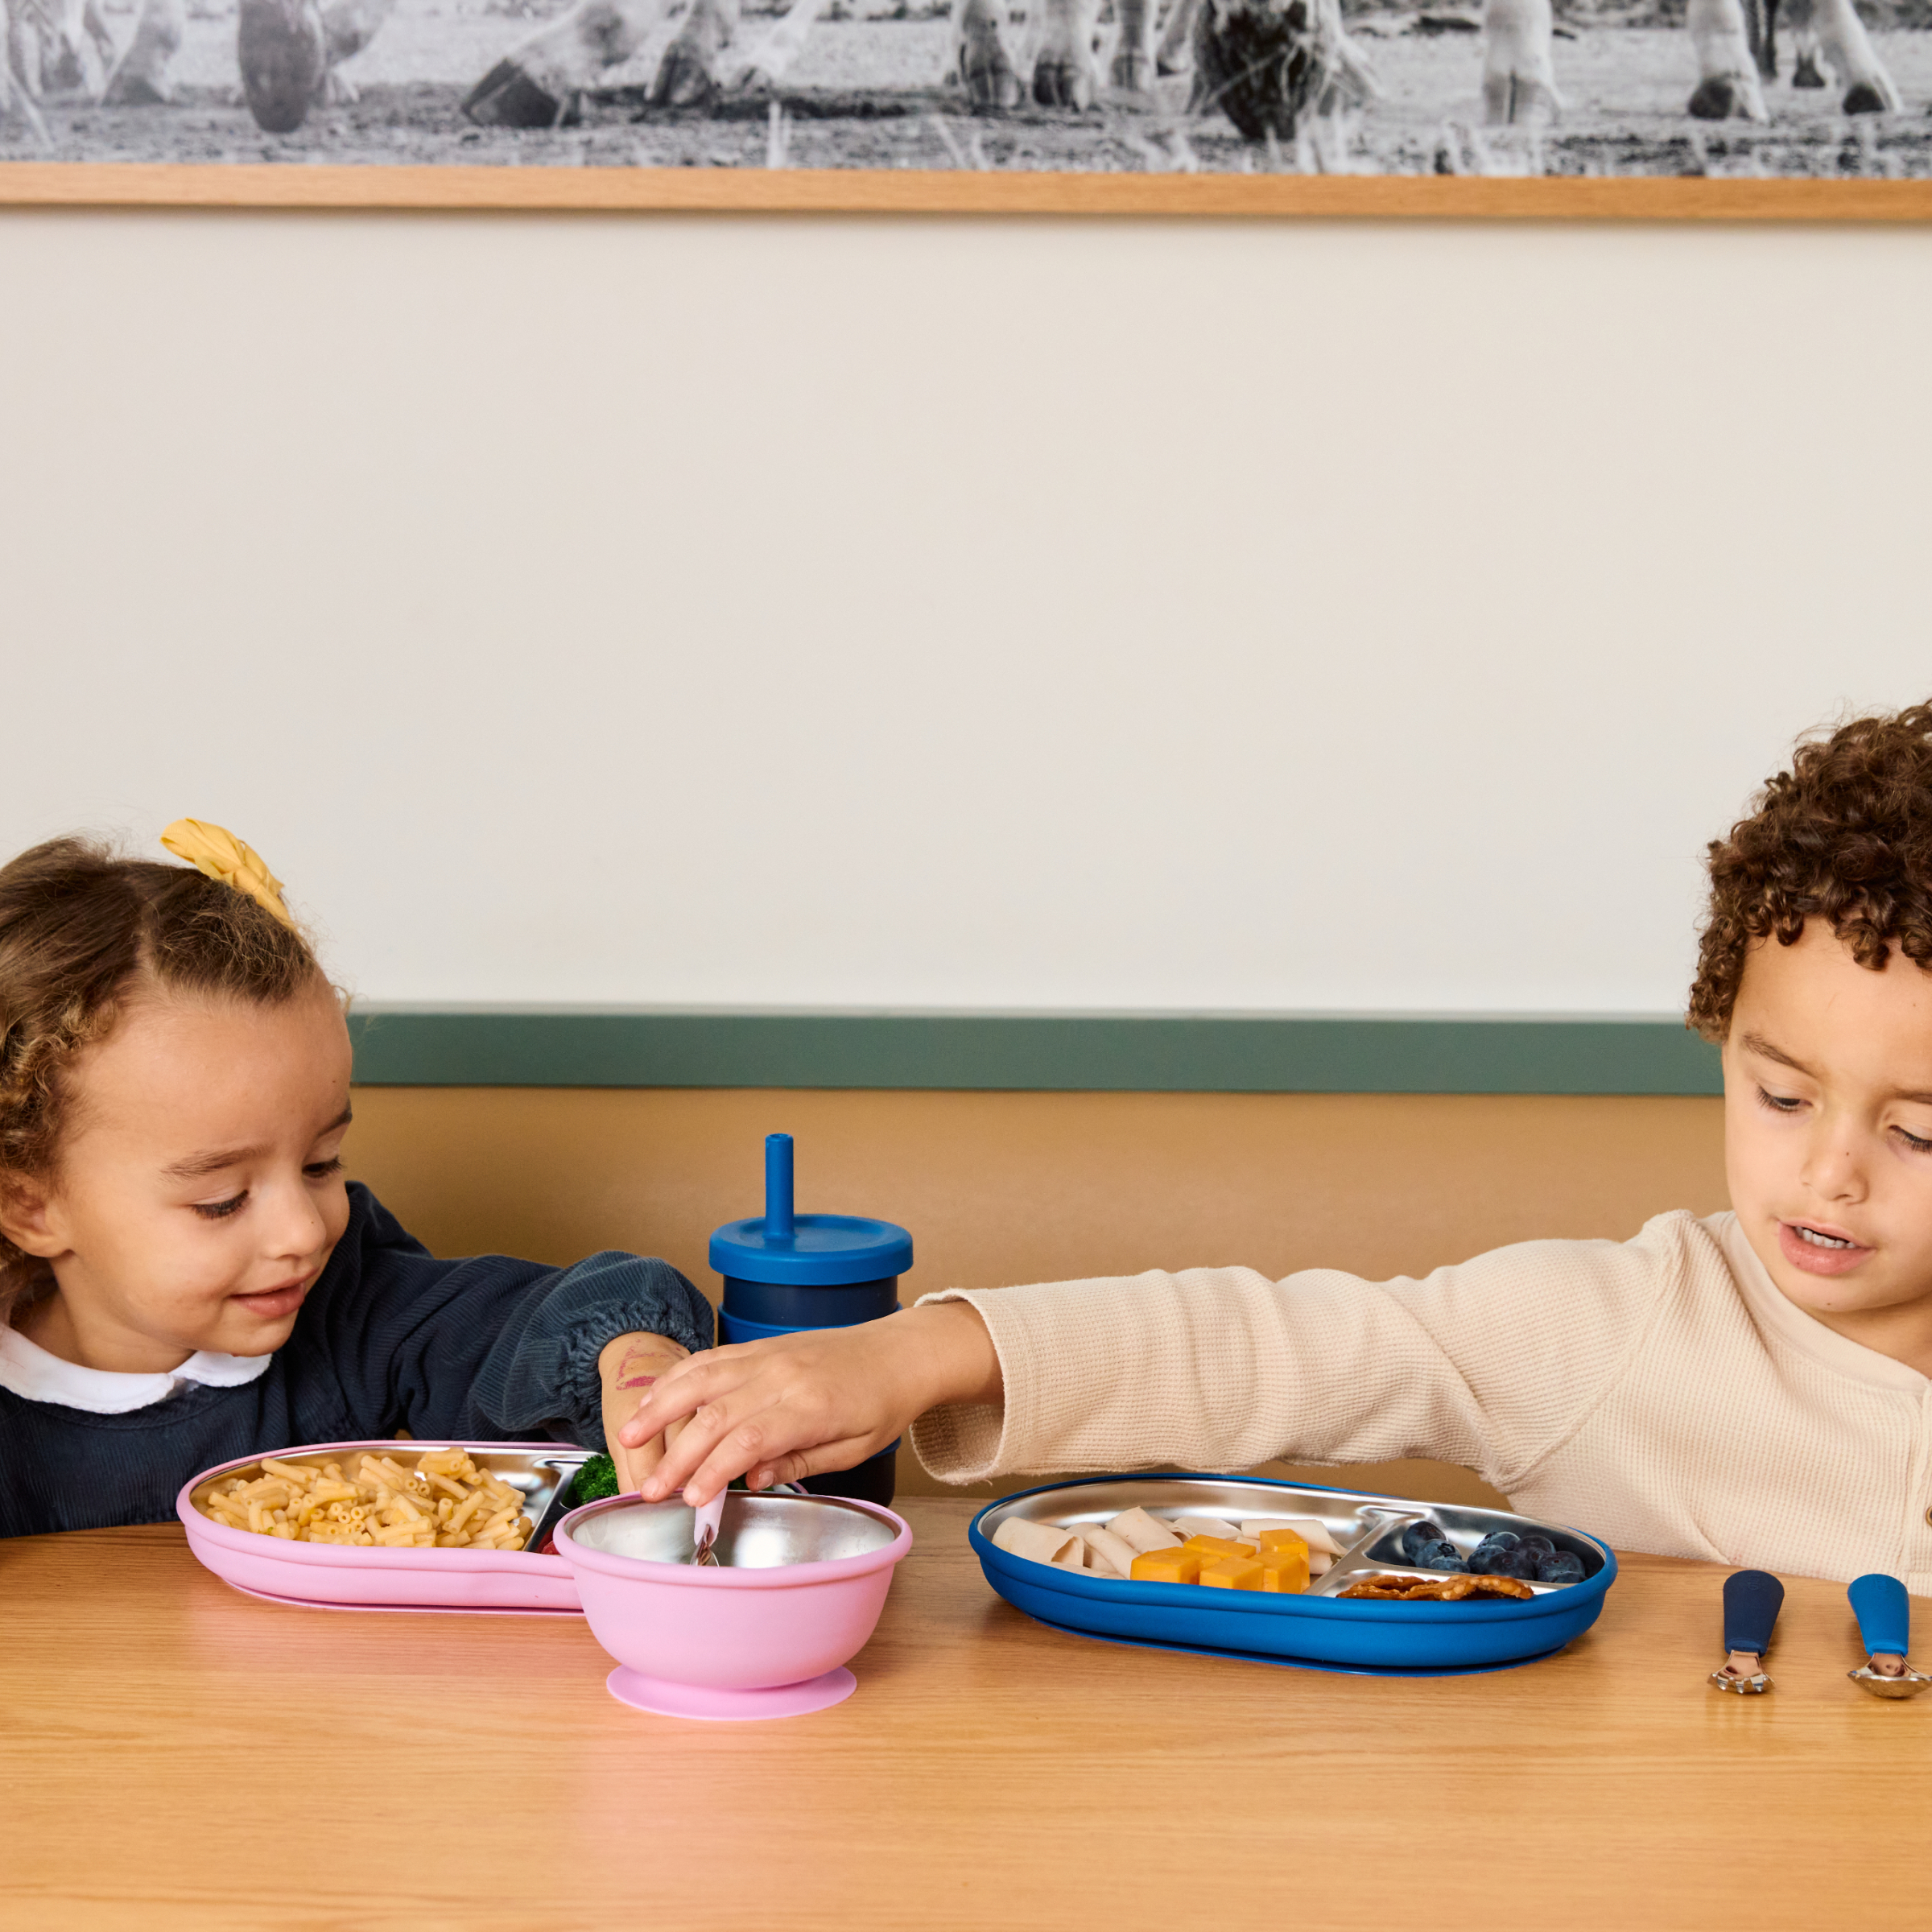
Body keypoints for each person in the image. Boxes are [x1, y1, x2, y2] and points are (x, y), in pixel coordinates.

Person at [625, 702, 1932, 1594]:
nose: (1831, 1172)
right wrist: (904, 1357)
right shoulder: (1614, 1330)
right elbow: (1272, 1345)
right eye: (1781, 1097)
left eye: (1918, 1130)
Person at [0, 822, 712, 1538]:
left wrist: (629, 1353)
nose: (304, 1230)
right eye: (222, 1202)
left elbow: (535, 1321)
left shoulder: (351, 1302)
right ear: (27, 1206)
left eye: (321, 1163)